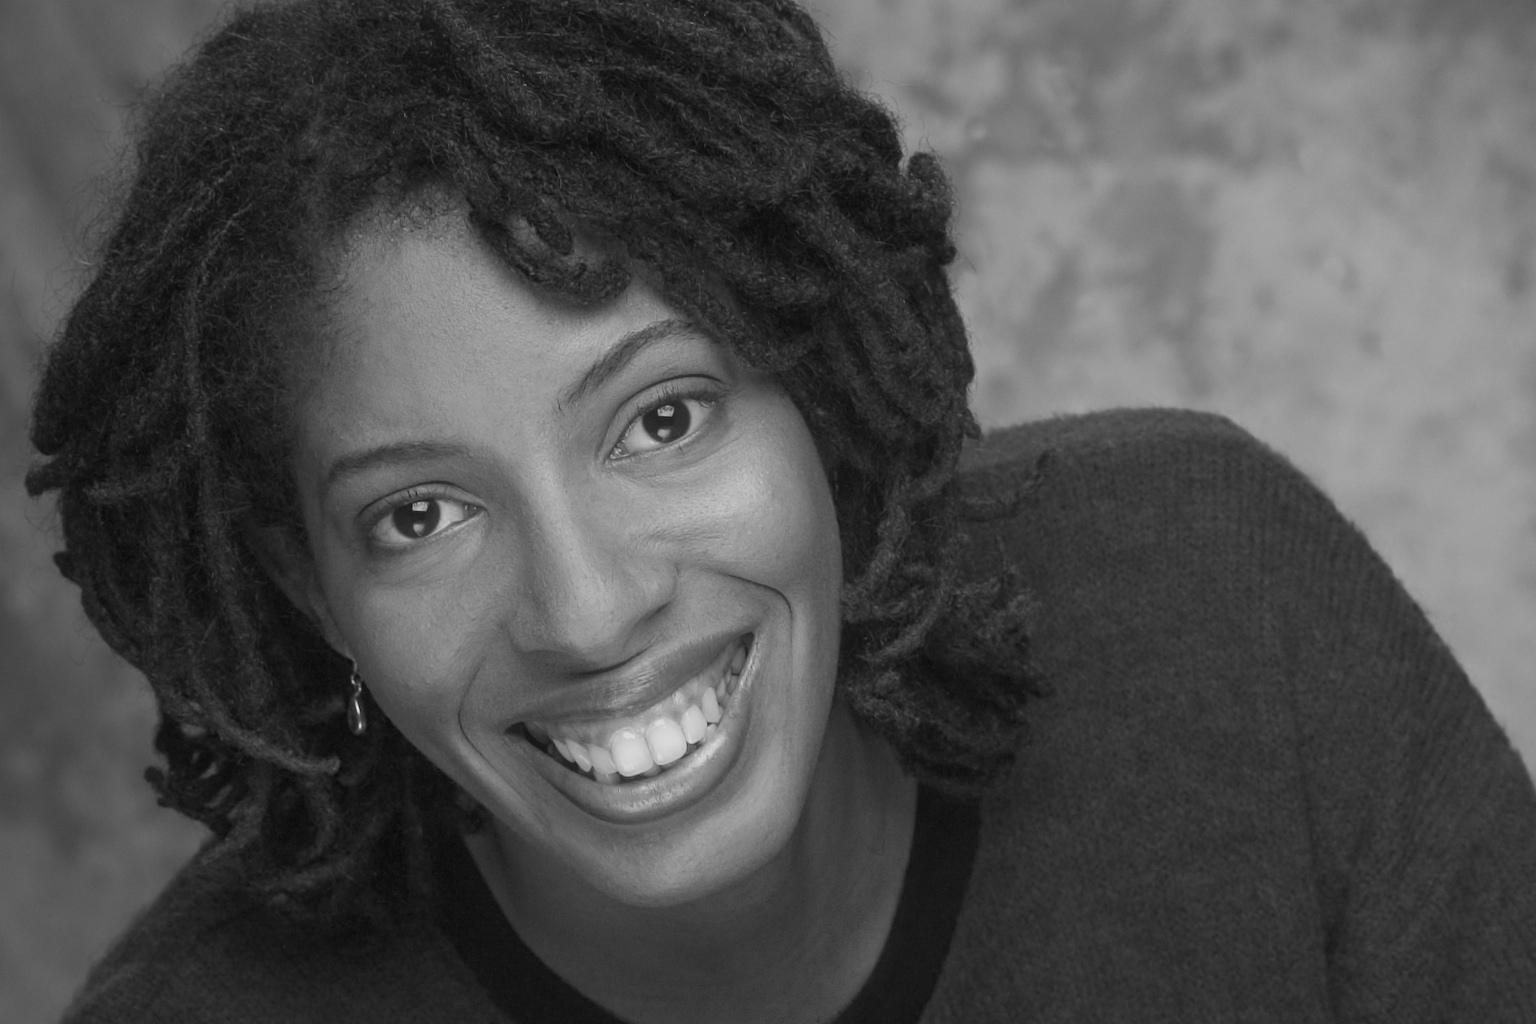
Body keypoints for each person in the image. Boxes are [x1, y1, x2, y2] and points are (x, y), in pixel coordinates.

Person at [26, 0, 1536, 1021]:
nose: (588, 611)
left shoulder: (1221, 603)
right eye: (420, 515)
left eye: (661, 418)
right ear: (309, 585)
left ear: (813, 391)